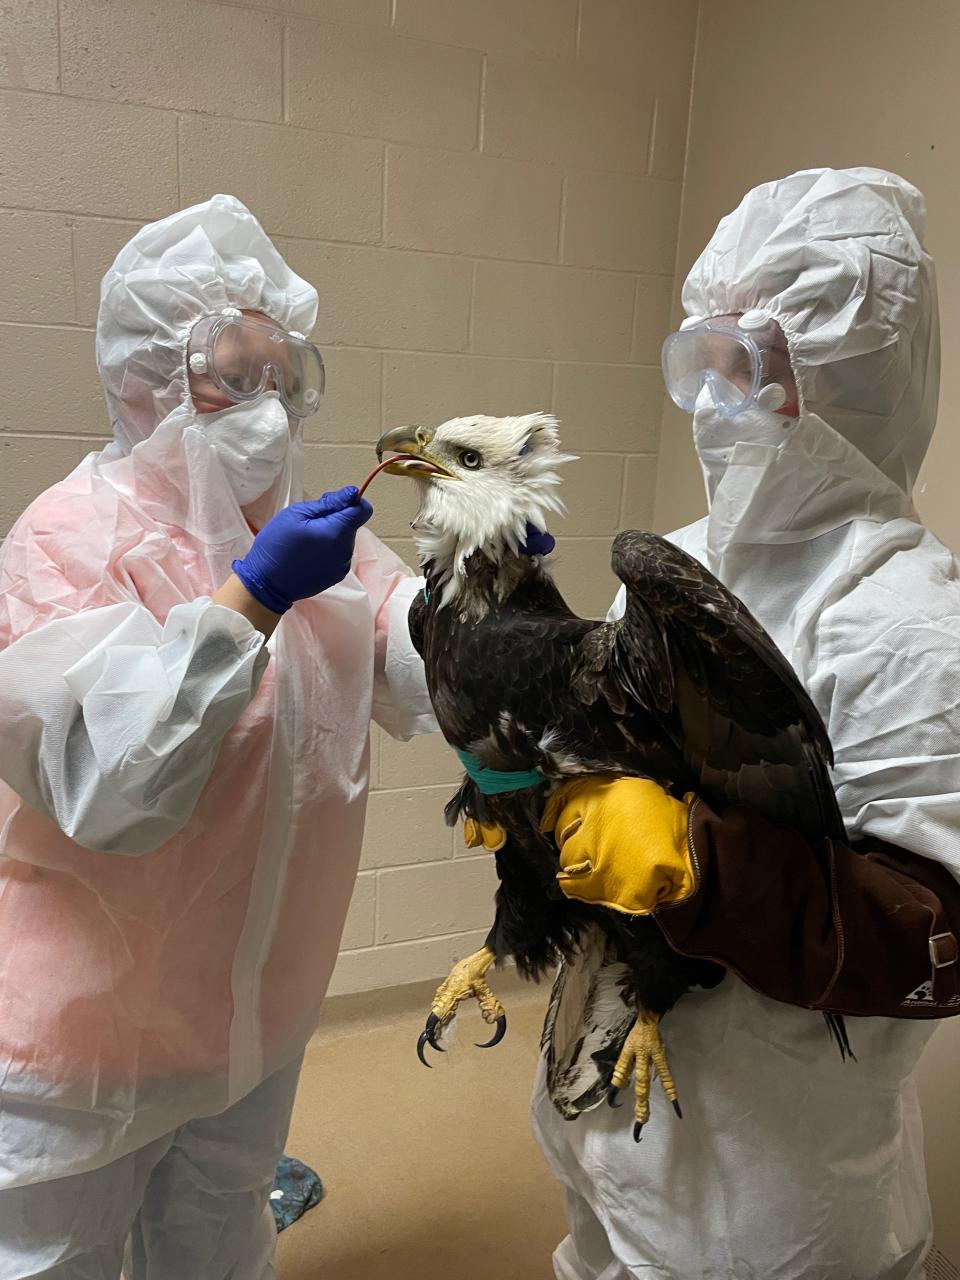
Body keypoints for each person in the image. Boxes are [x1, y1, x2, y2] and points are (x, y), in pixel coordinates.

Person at [0, 194, 438, 1278]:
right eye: (232, 378)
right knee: (54, 1260)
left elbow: (417, 656)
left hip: (251, 1012)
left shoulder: (306, 534)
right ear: (146, 380)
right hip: (86, 1039)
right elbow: (109, 786)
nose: (269, 409)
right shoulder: (71, 535)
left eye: (283, 378)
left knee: (216, 1240)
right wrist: (248, 602)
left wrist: (488, 597)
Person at [533, 168, 960, 1279]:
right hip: (609, 1107)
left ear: (849, 384)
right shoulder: (678, 561)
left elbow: (938, 935)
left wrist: (691, 863)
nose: (716, 401)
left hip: (773, 1188)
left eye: (753, 368)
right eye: (702, 363)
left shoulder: (912, 621)